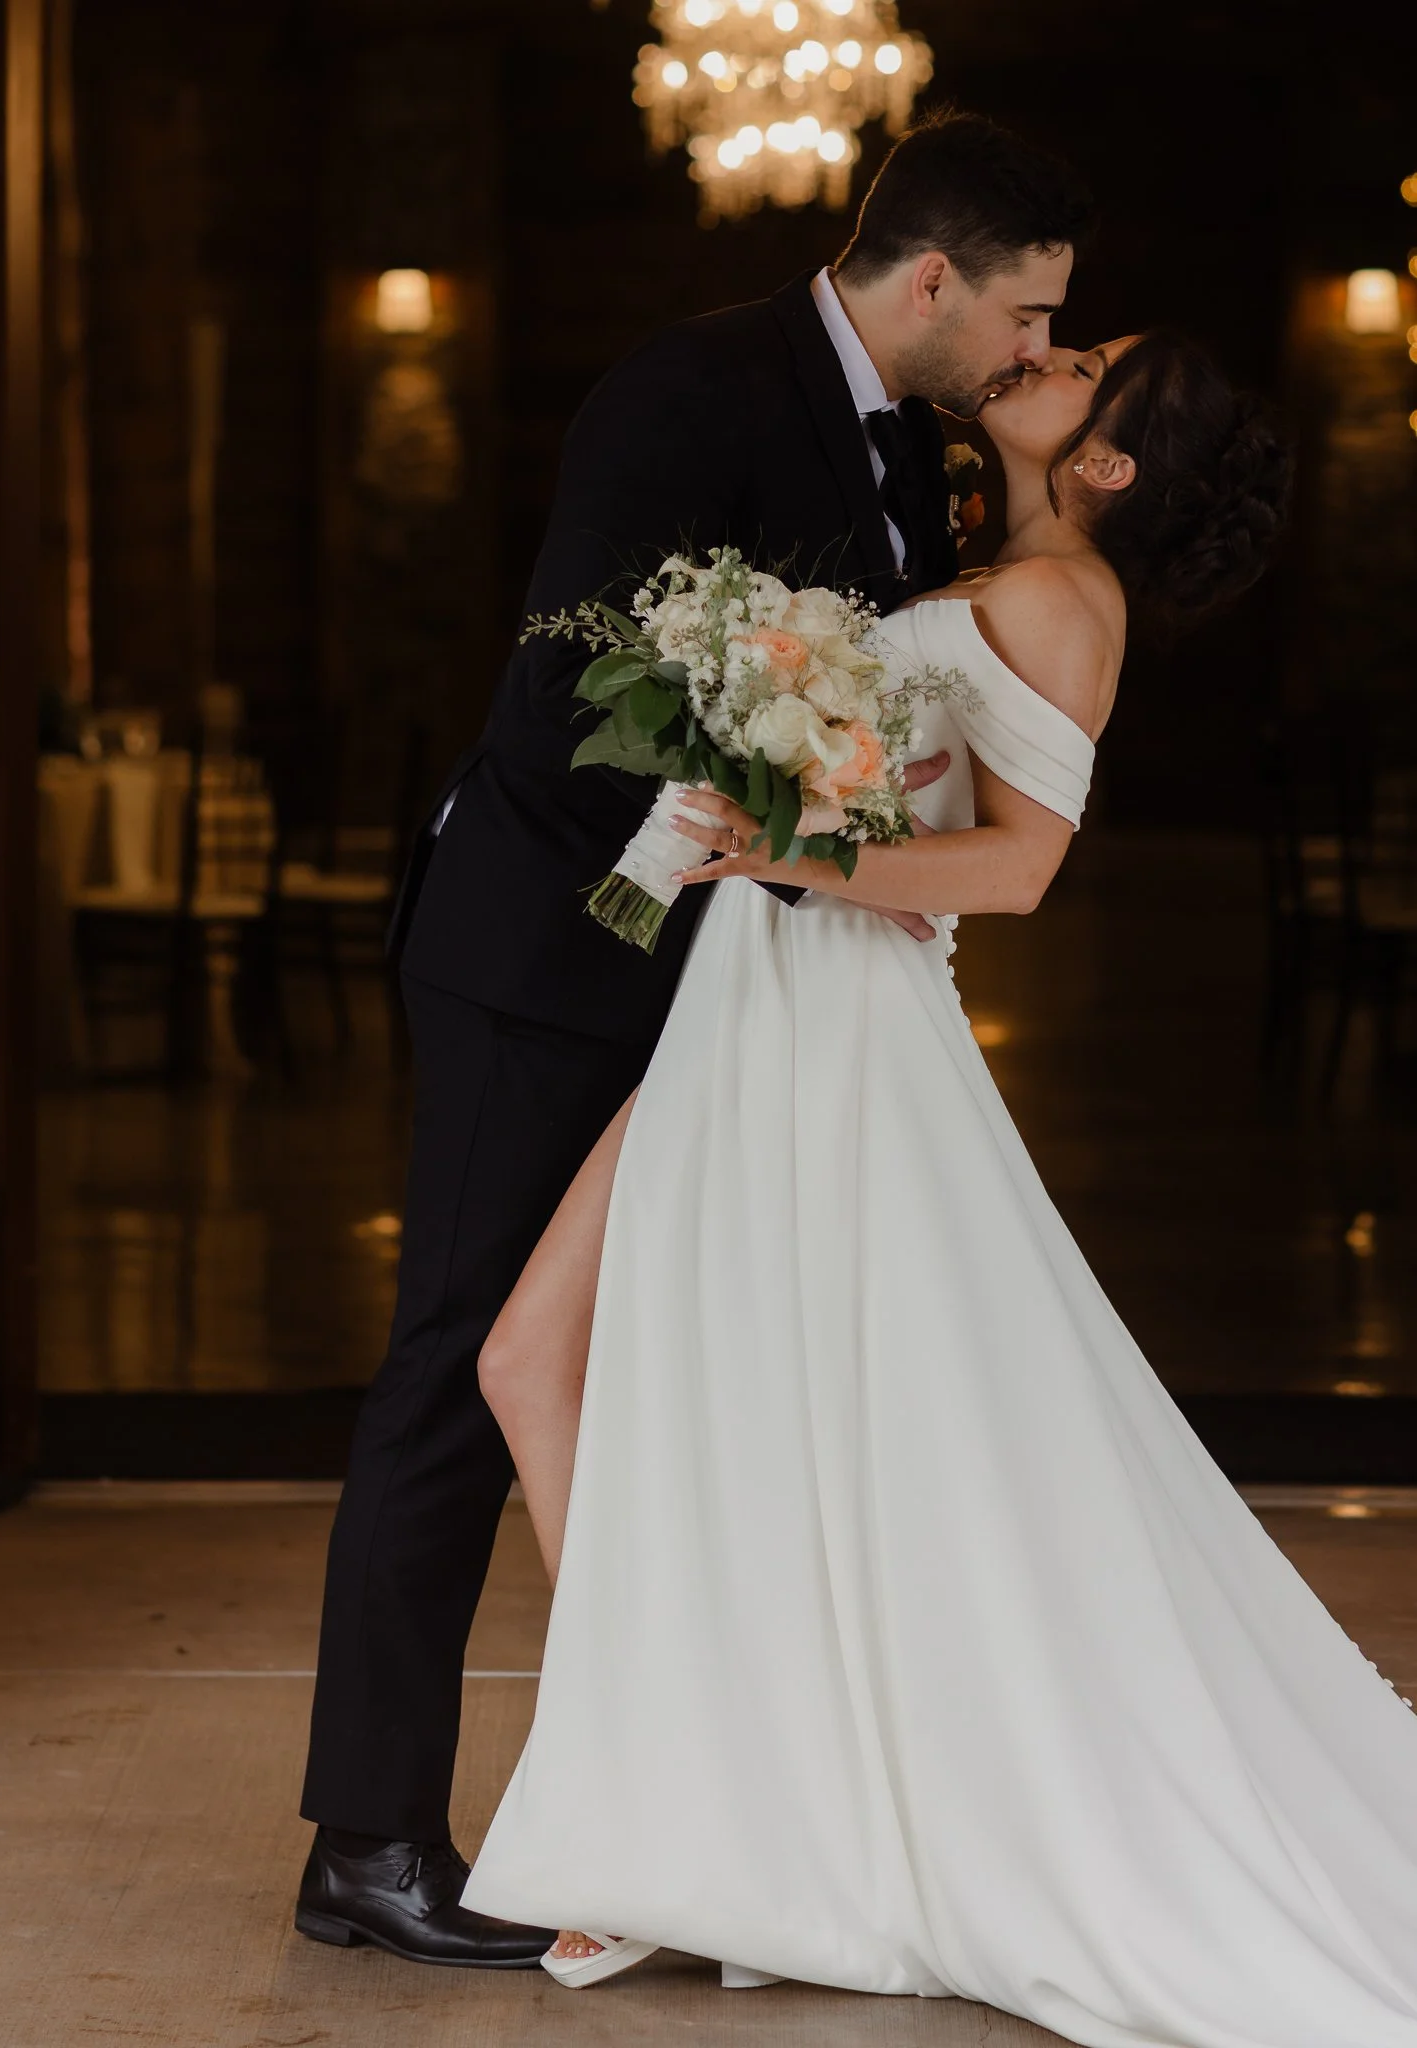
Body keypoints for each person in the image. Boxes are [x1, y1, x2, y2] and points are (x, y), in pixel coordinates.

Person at [461, 334, 1417, 2048]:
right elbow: (910, 792)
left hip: (836, 1026)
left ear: (1109, 463)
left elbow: (1022, 867)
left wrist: (789, 845)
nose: (1054, 348)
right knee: (539, 1364)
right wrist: (772, 773)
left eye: (1093, 364)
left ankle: (674, 1824)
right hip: (759, 999)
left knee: (597, 1375)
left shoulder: (1060, 602)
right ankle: (692, 1798)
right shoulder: (986, 574)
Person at [295, 109, 1096, 1968]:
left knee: (690, 1395)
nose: (1034, 352)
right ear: (928, 279)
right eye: (1024, 313)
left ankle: (696, 1811)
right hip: (557, 957)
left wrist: (842, 853)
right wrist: (793, 812)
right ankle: (370, 1840)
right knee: (465, 1369)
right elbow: (575, 671)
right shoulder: (688, 389)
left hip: (741, 985)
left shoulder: (937, 457)